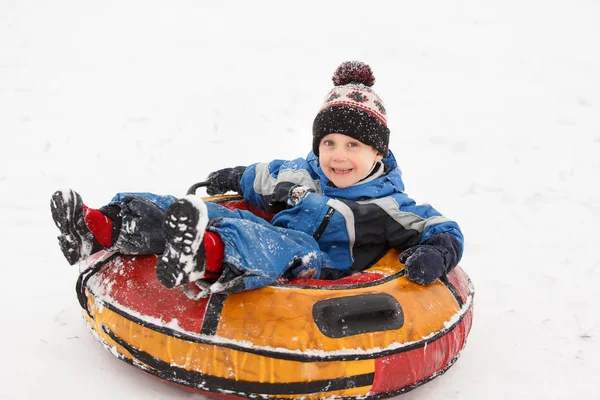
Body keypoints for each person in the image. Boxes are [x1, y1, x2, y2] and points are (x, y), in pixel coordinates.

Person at [51, 61, 463, 295]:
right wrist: (229, 176)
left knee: (274, 241)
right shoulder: (299, 171)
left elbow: (440, 227)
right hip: (272, 236)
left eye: (353, 146)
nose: (338, 156)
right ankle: (104, 226)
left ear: (378, 152)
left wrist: (437, 253)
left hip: (314, 265)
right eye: (330, 143)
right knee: (220, 216)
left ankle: (202, 255)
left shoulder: (389, 205)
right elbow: (259, 178)